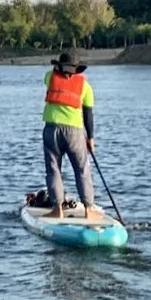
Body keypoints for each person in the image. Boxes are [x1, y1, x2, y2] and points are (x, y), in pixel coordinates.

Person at [41, 49, 98, 219]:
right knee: (81, 169)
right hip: (75, 132)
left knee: (53, 169)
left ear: (59, 66)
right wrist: (91, 138)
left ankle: (57, 208)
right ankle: (89, 209)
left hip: (52, 129)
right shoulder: (85, 87)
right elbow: (88, 114)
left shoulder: (50, 77)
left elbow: (50, 78)